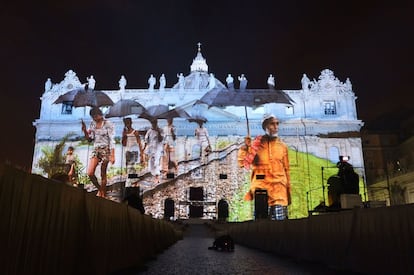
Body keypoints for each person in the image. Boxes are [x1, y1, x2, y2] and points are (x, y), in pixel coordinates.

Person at [238, 114, 291, 220]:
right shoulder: (256, 144)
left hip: (279, 192)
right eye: (272, 124)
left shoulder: (282, 146)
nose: (276, 126)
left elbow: (286, 170)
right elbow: (244, 163)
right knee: (261, 224)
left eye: (277, 123)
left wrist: (288, 192)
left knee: (279, 226)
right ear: (265, 126)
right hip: (261, 191)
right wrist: (245, 148)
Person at [81, 107, 115, 198]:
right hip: (96, 149)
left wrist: (112, 154)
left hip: (106, 149)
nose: (94, 118)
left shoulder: (108, 124)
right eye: (93, 116)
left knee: (103, 173)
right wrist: (84, 130)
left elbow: (112, 140)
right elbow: (89, 139)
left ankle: (103, 194)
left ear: (100, 114)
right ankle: (99, 189)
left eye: (96, 115)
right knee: (90, 173)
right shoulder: (92, 124)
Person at [122, 118, 143, 188]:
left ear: (131, 123)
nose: (127, 125)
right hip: (127, 151)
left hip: (134, 152)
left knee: (130, 167)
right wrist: (124, 135)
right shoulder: (124, 132)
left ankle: (128, 183)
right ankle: (134, 181)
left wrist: (141, 154)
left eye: (128, 123)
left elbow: (140, 143)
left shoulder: (135, 132)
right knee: (130, 167)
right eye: (125, 123)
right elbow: (123, 144)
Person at [143, 119, 164, 184]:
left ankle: (157, 177)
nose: (153, 124)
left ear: (156, 123)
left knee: (156, 162)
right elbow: (146, 140)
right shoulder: (149, 131)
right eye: (152, 123)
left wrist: (158, 132)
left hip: (158, 148)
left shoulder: (160, 130)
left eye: (154, 123)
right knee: (151, 163)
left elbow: (161, 140)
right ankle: (155, 176)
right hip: (151, 149)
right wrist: (144, 149)